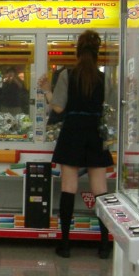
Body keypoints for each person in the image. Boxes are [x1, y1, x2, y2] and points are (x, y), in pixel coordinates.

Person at [38, 30, 113, 259]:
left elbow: (58, 108)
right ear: (97, 51)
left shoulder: (67, 75)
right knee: (100, 190)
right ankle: (103, 245)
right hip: (95, 134)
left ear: (77, 51)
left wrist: (47, 91)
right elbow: (108, 109)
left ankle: (65, 244)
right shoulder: (104, 79)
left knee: (68, 188)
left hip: (72, 133)